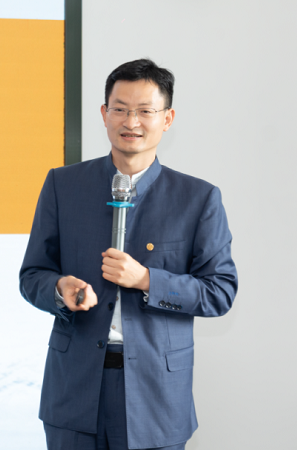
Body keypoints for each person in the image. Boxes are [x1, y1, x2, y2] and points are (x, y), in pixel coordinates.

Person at [19, 58, 238, 450]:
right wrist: (59, 289)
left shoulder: (197, 198)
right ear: (104, 114)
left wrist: (147, 280)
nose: (131, 121)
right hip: (74, 389)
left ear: (167, 119)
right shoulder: (63, 185)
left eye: (145, 111)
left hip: (155, 396)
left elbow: (219, 292)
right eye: (120, 109)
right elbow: (32, 274)